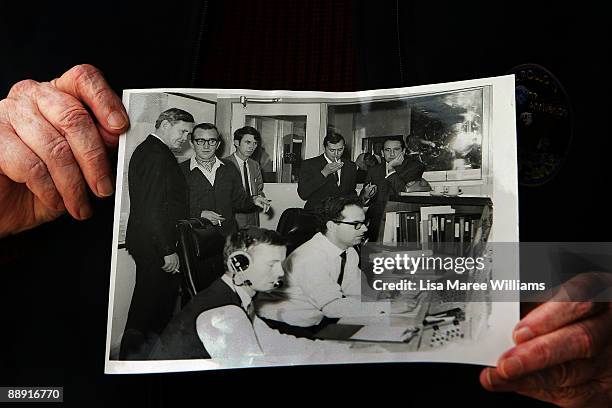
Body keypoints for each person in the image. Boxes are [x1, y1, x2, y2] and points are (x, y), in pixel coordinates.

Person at [1, 62, 611, 406]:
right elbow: (308, 331)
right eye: (353, 223)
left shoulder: (304, 269)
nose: (363, 226)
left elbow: (317, 320)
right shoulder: (242, 302)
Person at [149, 227, 348, 360]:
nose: (281, 272)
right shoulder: (225, 312)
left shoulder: (238, 298)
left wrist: (335, 352)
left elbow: (271, 340)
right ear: (239, 264)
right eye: (272, 264)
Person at [257, 196, 394, 336]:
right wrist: (387, 307)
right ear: (332, 226)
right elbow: (332, 307)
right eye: (356, 224)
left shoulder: (348, 251)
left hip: (314, 320)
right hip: (282, 327)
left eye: (365, 223)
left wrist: (391, 298)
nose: (364, 229)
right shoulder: (310, 257)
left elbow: (356, 289)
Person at [120, 108, 194, 359]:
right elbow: (153, 208)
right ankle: (134, 360)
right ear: (164, 124)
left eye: (188, 132)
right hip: (155, 246)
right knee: (149, 307)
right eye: (182, 131)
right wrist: (167, 250)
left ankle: (146, 357)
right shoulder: (155, 154)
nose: (185, 138)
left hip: (152, 242)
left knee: (152, 304)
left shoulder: (154, 151)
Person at [179, 123, 271, 237]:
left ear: (217, 144)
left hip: (227, 237)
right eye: (200, 141)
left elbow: (239, 201)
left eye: (212, 141)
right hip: (196, 237)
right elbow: (173, 206)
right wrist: (199, 214)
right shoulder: (180, 170)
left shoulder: (229, 167)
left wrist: (254, 200)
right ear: (192, 144)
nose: (206, 146)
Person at [363, 137, 425, 241]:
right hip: (376, 225)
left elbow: (403, 192)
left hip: (402, 222)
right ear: (382, 152)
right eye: (388, 150)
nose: (392, 154)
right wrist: (365, 196)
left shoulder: (415, 167)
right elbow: (363, 198)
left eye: (396, 150)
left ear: (404, 151)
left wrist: (391, 169)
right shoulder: (374, 170)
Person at [297, 131, 357, 210]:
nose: (336, 154)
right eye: (332, 150)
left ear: (344, 147)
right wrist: (324, 173)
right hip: (316, 214)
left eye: (340, 149)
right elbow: (303, 194)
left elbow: (351, 192)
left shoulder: (350, 166)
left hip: (341, 215)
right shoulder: (309, 164)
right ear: (324, 148)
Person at [222, 126, 267, 227]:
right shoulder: (224, 164)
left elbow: (259, 189)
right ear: (237, 143)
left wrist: (262, 198)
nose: (252, 147)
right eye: (248, 142)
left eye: (255, 143)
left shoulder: (254, 165)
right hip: (234, 216)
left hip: (253, 215)